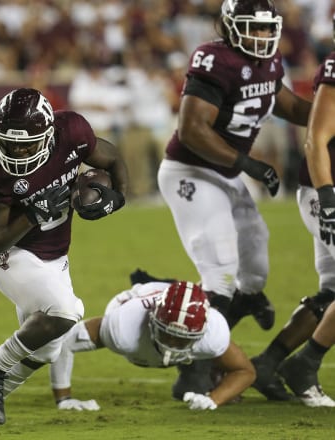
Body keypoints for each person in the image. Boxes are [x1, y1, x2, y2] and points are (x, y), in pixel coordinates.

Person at [156, 0, 312, 399]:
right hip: (191, 172)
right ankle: (195, 370)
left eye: (265, 29)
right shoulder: (214, 58)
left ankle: (228, 320)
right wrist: (249, 163)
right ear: (229, 26)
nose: (261, 37)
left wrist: (325, 115)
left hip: (225, 173)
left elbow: (288, 105)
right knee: (220, 270)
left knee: (254, 269)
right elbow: (191, 129)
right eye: (251, 28)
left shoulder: (270, 61)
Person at [0, 88, 128, 440]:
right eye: (10, 143)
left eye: (26, 144)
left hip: (55, 258)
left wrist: (117, 198)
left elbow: (111, 158)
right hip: (13, 256)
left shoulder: (74, 134)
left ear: (50, 134)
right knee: (66, 312)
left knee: (50, 349)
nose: (17, 151)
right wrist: (32, 215)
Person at [249, 17, 335, 407]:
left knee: (332, 292)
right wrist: (328, 198)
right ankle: (305, 364)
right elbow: (315, 139)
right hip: (326, 188)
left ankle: (269, 363)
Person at [49, 280, 255, 411]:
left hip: (165, 306)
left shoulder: (214, 332)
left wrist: (213, 399)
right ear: (152, 320)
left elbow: (245, 371)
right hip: (135, 299)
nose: (172, 345)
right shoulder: (124, 327)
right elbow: (63, 340)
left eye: (182, 339)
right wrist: (64, 399)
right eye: (168, 334)